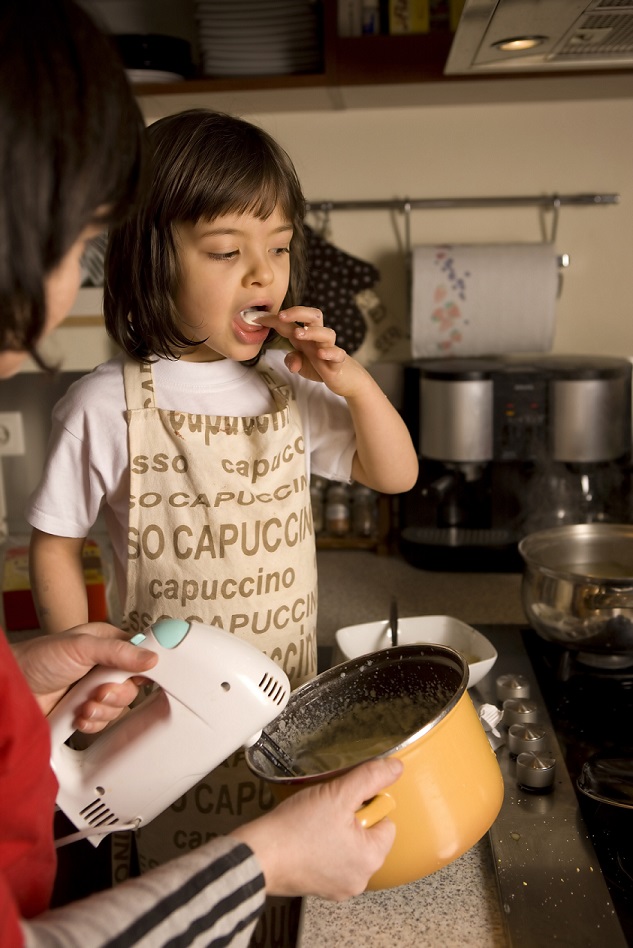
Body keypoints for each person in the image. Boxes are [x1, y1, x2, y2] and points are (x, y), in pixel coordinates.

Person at [0, 2, 404, 946]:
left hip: (288, 707)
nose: (261, 274)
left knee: (278, 899)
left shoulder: (284, 387)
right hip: (166, 717)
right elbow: (52, 543)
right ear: (146, 257)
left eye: (277, 248)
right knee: (181, 864)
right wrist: (88, 662)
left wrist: (349, 379)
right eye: (226, 253)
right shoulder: (107, 401)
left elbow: (393, 473)